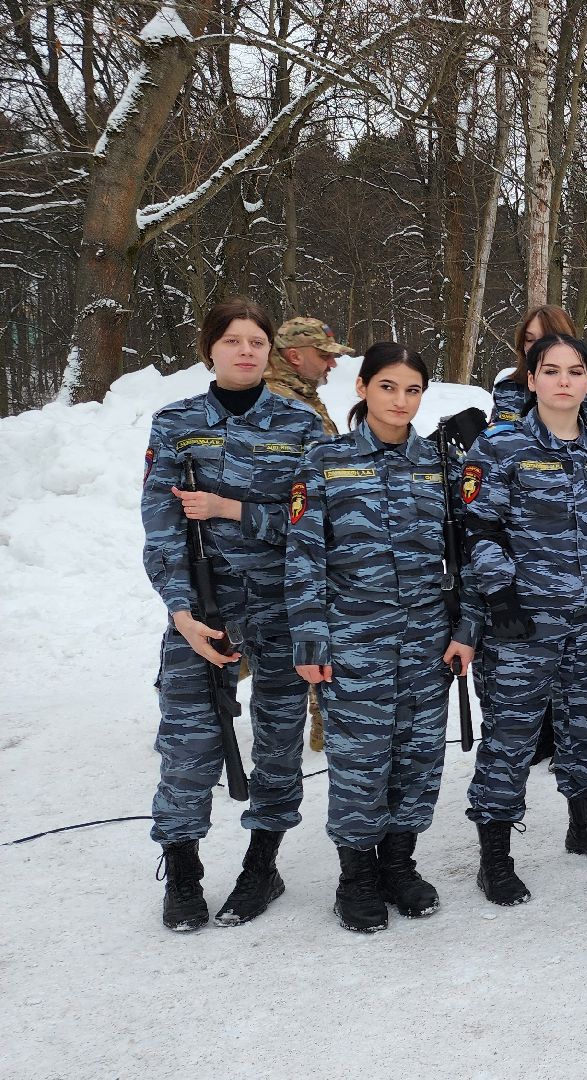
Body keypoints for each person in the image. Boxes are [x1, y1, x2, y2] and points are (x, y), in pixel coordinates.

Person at [142, 298, 327, 932]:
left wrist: (233, 510)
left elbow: (316, 527)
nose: (246, 351)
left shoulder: (302, 427)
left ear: (270, 351)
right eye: (233, 340)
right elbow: (160, 526)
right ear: (210, 349)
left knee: (277, 745)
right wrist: (181, 612)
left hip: (281, 609)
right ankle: (184, 869)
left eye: (257, 341)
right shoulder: (176, 424)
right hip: (203, 613)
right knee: (188, 746)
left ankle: (260, 867)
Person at [285, 343, 475, 932]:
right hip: (354, 642)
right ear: (363, 388)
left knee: (417, 759)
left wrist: (466, 628)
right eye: (388, 387)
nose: (400, 401)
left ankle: (398, 864)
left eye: (413, 389)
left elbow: (466, 554)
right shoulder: (324, 462)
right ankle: (356, 875)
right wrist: (311, 639)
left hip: (425, 643)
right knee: (359, 763)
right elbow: (304, 557)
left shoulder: (439, 464)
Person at [462, 332, 587, 906]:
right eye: (551, 371)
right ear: (530, 380)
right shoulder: (499, 446)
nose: (564, 381)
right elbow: (476, 528)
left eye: (575, 371)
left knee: (586, 729)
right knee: (509, 738)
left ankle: (584, 825)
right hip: (522, 625)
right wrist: (499, 596)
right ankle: (496, 857)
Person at [267, 315, 346, 754]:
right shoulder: (280, 404)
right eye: (324, 356)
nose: (331, 365)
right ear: (295, 356)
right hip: (286, 544)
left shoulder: (304, 399)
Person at [490, 305, 587, 428]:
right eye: (529, 340)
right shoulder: (507, 388)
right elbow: (496, 440)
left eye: (546, 340)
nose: (535, 347)